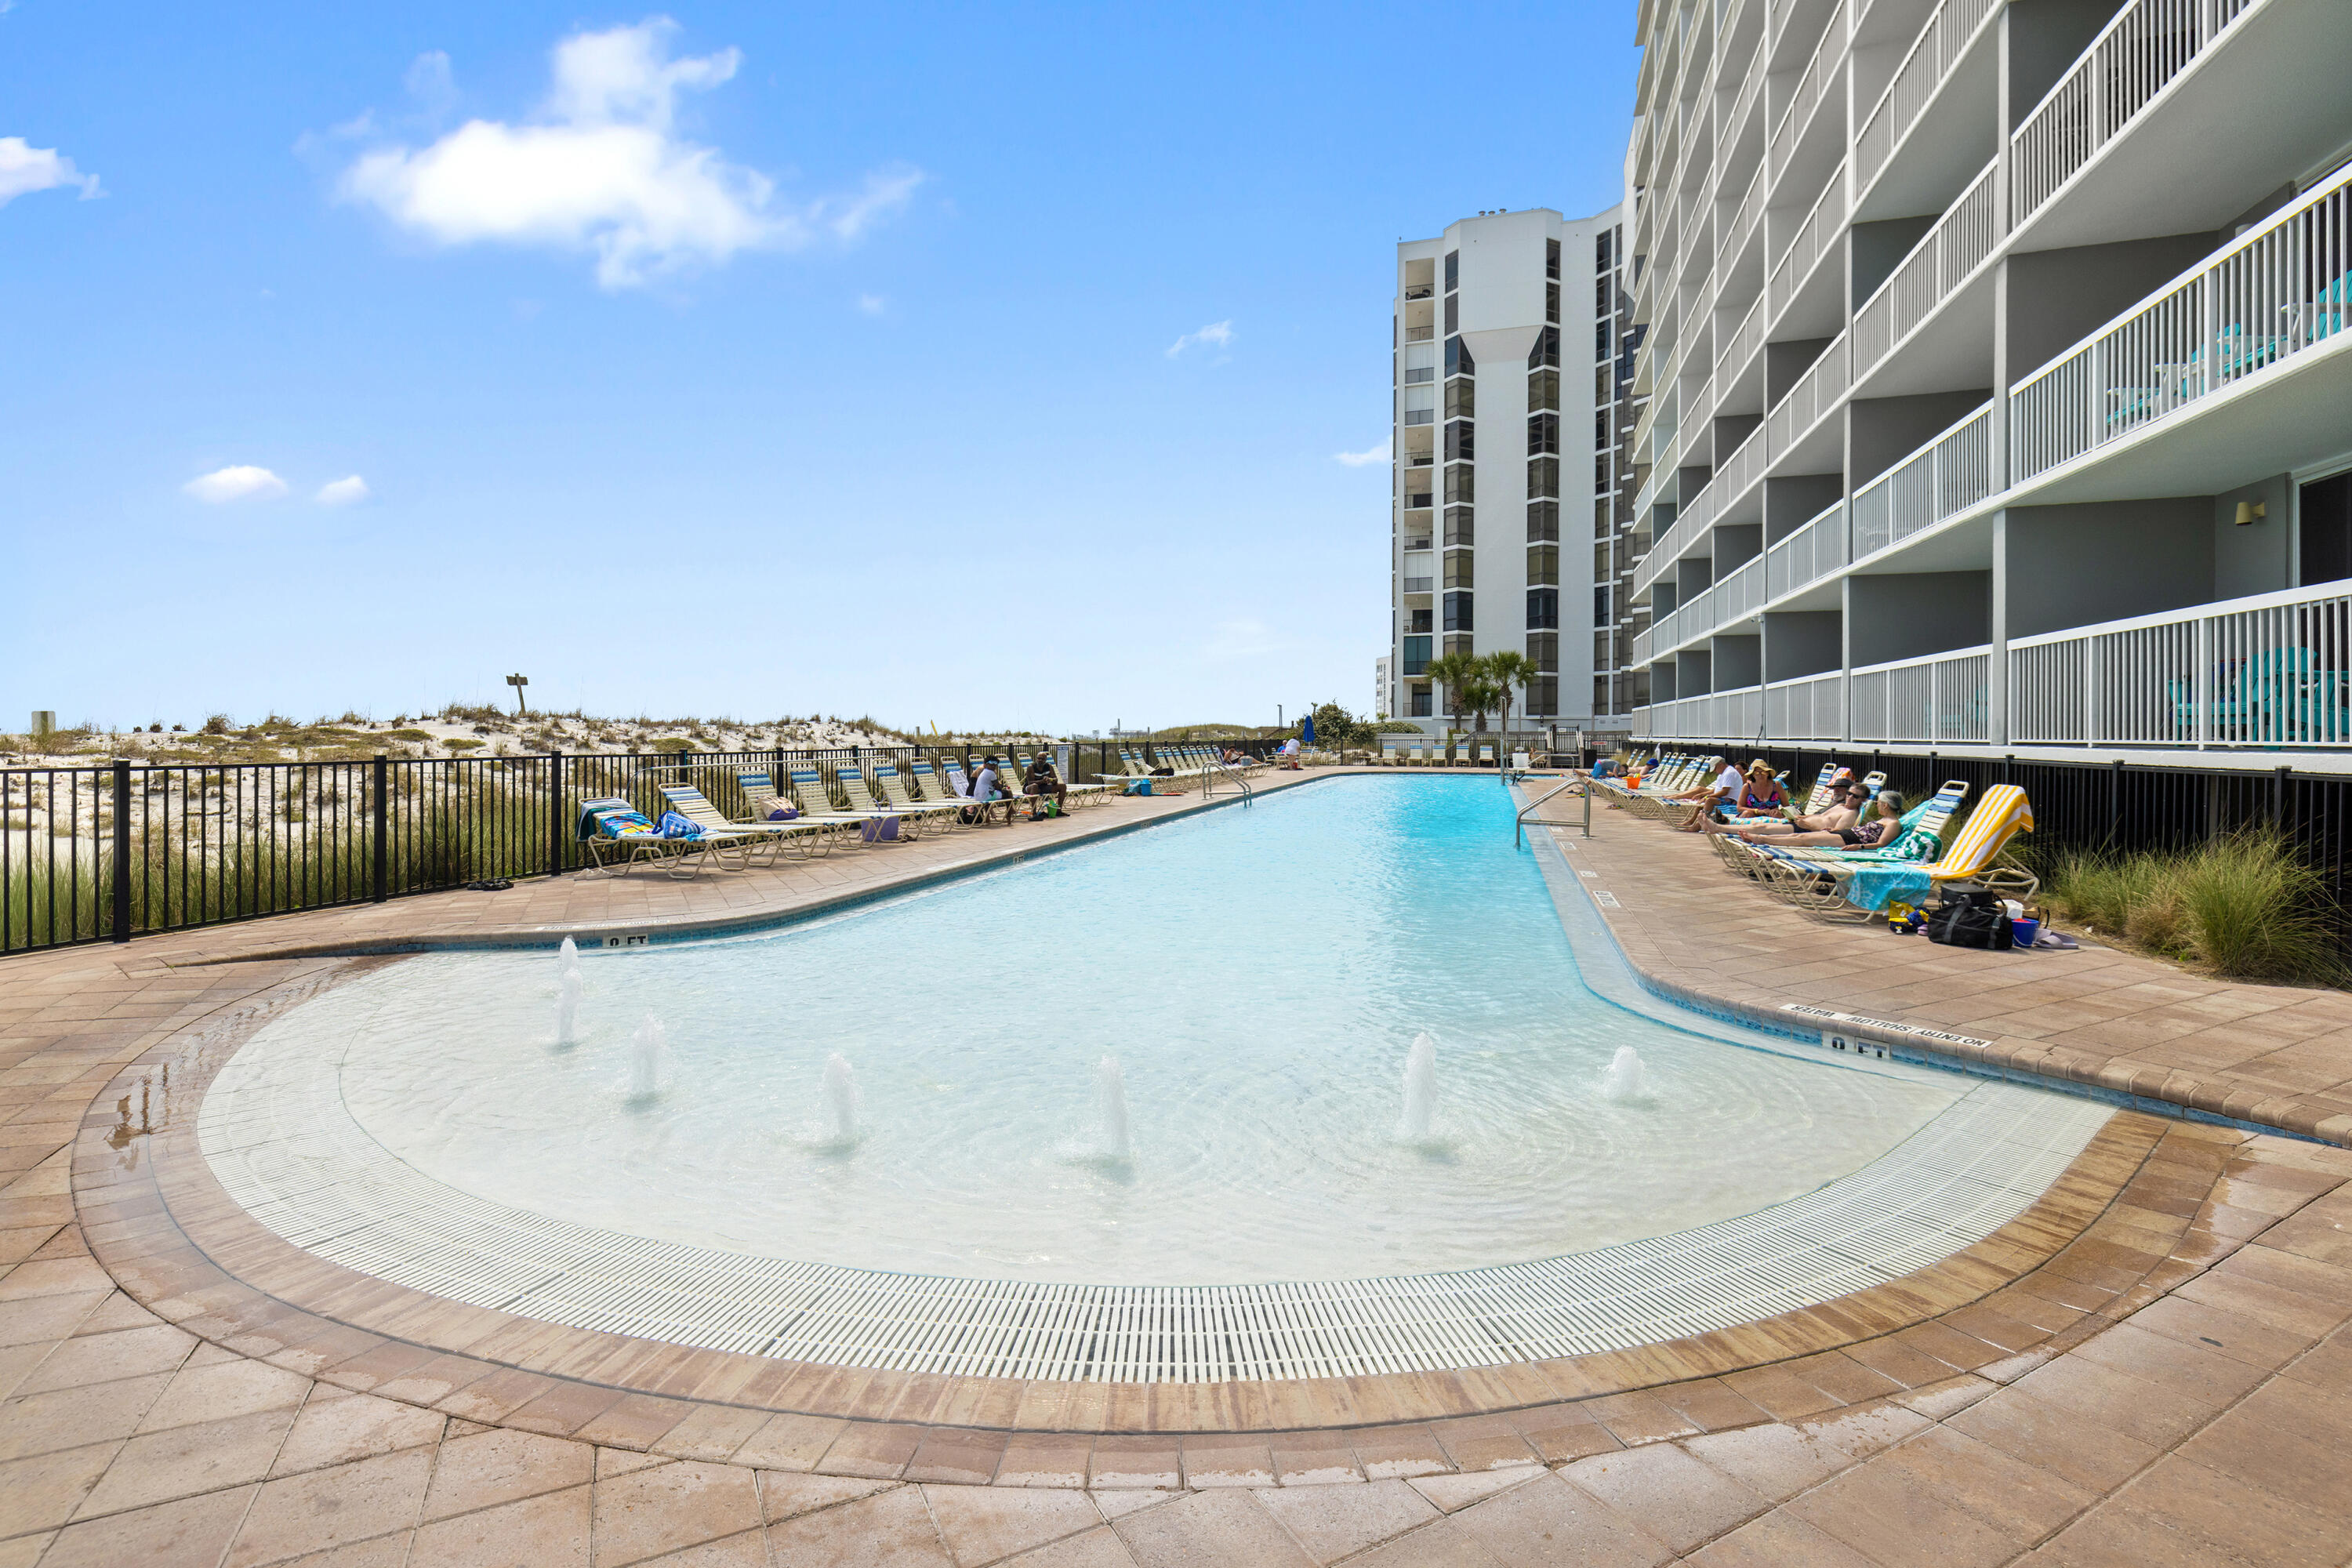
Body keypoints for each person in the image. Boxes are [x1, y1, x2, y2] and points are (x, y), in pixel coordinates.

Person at [1740, 788, 1904, 848]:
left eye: (1879, 803)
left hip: (1850, 839)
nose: (1876, 805)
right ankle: (1761, 838)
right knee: (1797, 836)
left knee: (1803, 838)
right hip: (1846, 833)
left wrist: (1858, 847)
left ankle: (1762, 840)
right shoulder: (1885, 821)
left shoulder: (1893, 823)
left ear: (1886, 806)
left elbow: (1881, 844)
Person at [1704, 779, 1866, 838]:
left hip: (1806, 830)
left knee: (1761, 826)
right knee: (1760, 824)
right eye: (1849, 794)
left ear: (1862, 800)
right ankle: (1723, 823)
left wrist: (1808, 824)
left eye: (1854, 796)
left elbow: (1835, 834)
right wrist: (1803, 817)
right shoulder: (1838, 805)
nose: (1849, 797)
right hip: (1800, 822)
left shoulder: (1850, 814)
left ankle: (1720, 826)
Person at [1670, 756, 1745, 832]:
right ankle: (1691, 821)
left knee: (1709, 801)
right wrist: (1702, 795)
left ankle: (1697, 826)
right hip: (1724, 798)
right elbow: (1716, 790)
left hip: (1732, 801)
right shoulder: (1722, 774)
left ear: (1721, 765)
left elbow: (1724, 792)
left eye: (1715, 769)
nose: (1715, 771)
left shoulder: (1729, 773)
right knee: (1704, 799)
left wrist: (1706, 797)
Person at [1022, 750, 1066, 816]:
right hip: (1030, 788)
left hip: (1043, 787)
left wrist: (1051, 780)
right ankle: (1034, 813)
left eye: (1042, 759)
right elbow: (1030, 782)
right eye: (1038, 758)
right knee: (1034, 786)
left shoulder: (1049, 766)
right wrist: (1042, 781)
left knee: (1063, 786)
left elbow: (1055, 778)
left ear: (1046, 760)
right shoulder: (1031, 767)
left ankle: (1058, 810)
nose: (1040, 760)